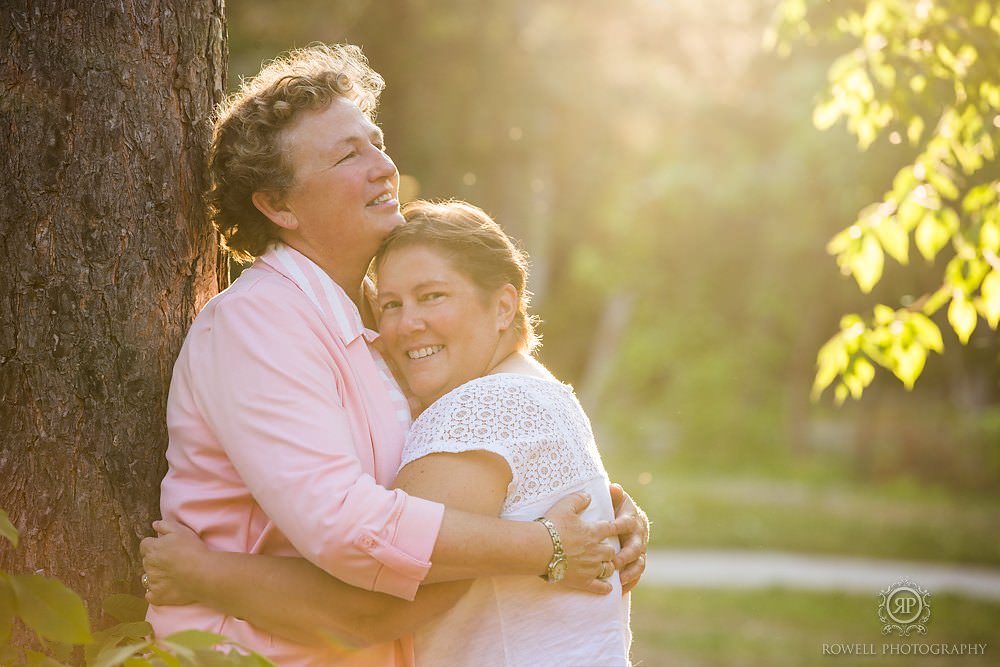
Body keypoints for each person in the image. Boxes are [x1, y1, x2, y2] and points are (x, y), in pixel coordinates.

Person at [144, 43, 648, 667]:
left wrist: (597, 508)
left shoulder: (385, 321)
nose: (384, 166)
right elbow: (347, 528)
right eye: (348, 155)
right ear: (279, 206)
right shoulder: (258, 324)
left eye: (376, 142)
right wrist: (545, 544)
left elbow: (478, 448)